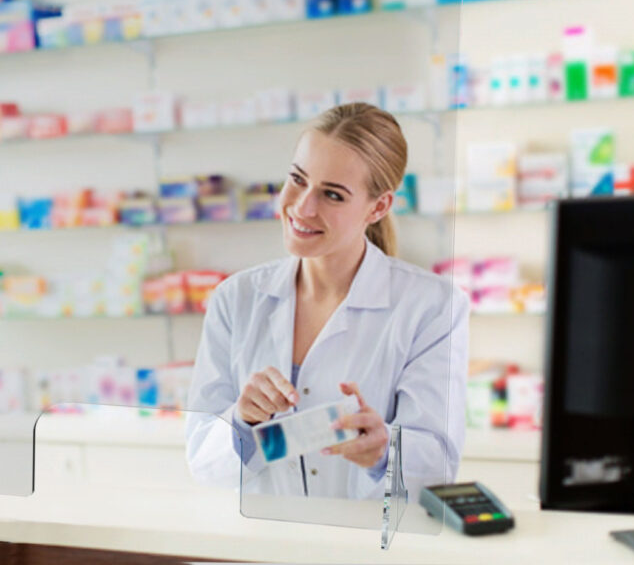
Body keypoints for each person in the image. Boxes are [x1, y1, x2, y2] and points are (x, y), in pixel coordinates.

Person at [185, 103, 468, 500]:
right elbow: (204, 462)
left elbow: (437, 466)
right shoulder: (237, 298)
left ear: (379, 206)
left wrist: (383, 450)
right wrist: (243, 420)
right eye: (298, 180)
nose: (303, 207)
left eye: (332, 194)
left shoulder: (432, 307)